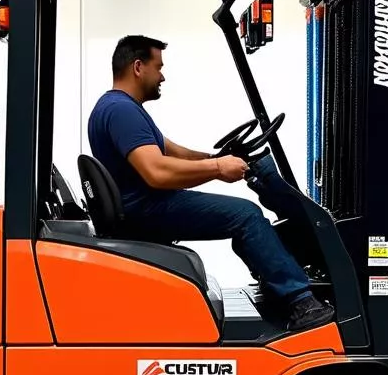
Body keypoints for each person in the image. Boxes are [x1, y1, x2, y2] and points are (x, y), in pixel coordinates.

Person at [87, 34, 330, 332]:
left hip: (141, 204)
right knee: (247, 216)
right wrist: (216, 168)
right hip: (147, 208)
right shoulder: (121, 110)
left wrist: (217, 156)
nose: (162, 75)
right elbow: (157, 172)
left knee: (245, 215)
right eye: (158, 66)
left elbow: (171, 151)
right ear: (138, 67)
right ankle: (300, 303)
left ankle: (277, 284)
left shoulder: (116, 107)